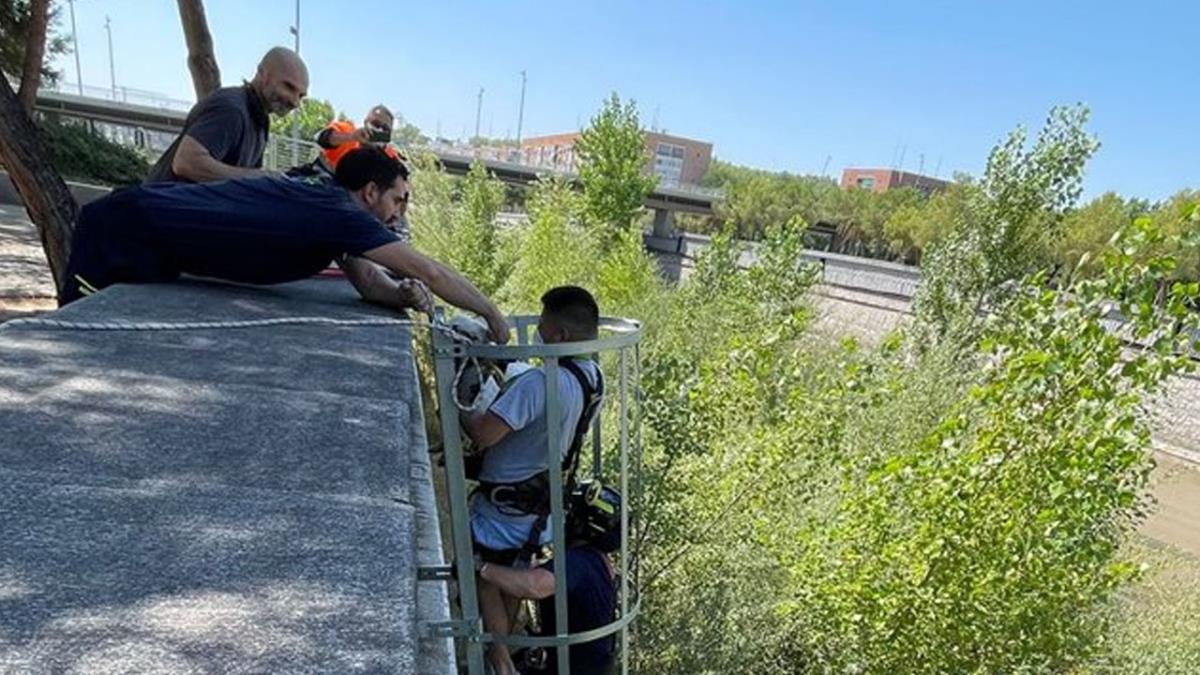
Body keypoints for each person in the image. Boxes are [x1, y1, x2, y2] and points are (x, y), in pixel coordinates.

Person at [63, 146, 507, 342]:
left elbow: (369, 283)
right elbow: (429, 270)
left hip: (140, 231)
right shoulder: (340, 212)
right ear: (370, 192)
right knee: (77, 337)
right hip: (121, 231)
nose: (400, 215)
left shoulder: (331, 208)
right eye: (398, 200)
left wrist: (399, 294)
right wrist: (489, 312)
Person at [460, 286, 604, 674]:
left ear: (560, 336)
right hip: (541, 509)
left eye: (543, 326)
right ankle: (503, 654)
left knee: (487, 576)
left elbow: (484, 434)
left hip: (503, 512)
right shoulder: (593, 378)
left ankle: (499, 660)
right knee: (512, 577)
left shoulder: (539, 384)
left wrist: (464, 403)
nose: (538, 332)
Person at [145, 47, 309, 183]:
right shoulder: (232, 108)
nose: (295, 102)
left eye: (301, 95)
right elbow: (186, 163)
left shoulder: (260, 122)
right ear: (262, 73)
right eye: (288, 87)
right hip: (162, 213)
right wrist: (262, 177)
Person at [478, 545, 617, 675]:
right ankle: (500, 660)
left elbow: (533, 586)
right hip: (574, 663)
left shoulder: (579, 562)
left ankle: (502, 666)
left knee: (491, 584)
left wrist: (482, 568)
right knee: (509, 584)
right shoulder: (599, 564)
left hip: (569, 667)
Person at [316, 104, 398, 173]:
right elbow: (320, 138)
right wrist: (351, 137)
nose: (380, 130)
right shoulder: (346, 130)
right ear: (366, 122)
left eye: (385, 128)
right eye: (376, 124)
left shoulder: (390, 156)